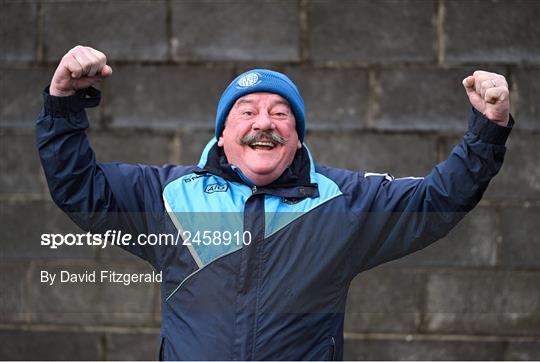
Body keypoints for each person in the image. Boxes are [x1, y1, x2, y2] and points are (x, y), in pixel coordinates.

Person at [36, 45, 513, 360]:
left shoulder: (342, 202)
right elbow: (79, 187)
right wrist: (63, 102)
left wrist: (486, 129)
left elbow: (437, 200)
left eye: (280, 113)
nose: (263, 122)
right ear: (222, 136)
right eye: (246, 112)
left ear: (296, 136)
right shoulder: (168, 197)